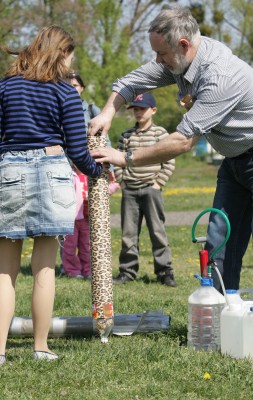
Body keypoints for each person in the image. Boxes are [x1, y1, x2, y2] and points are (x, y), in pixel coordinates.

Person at [89, 5, 253, 293]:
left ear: (183, 45)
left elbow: (182, 141)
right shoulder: (181, 61)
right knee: (219, 241)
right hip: (235, 161)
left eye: (161, 54)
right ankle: (221, 316)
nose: (157, 60)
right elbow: (129, 82)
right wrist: (106, 113)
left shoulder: (219, 75)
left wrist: (125, 158)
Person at [0, 25, 102, 365]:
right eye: (70, 57)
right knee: (44, 267)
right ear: (61, 54)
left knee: (5, 269)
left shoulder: (5, 86)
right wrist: (98, 171)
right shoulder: (65, 92)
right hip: (50, 167)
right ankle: (41, 347)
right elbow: (77, 148)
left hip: (9, 169)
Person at [113, 92, 176, 286]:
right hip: (130, 191)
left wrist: (158, 184)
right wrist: (122, 181)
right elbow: (117, 160)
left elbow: (169, 160)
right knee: (128, 233)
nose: (138, 112)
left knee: (157, 231)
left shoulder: (160, 134)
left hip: (151, 189)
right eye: (136, 109)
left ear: (153, 110)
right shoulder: (126, 135)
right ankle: (127, 271)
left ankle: (165, 271)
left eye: (142, 108)